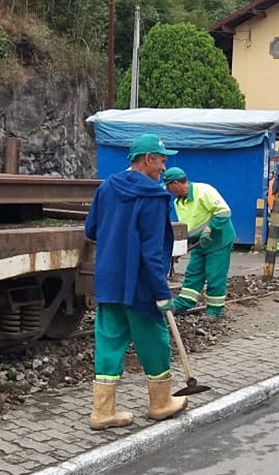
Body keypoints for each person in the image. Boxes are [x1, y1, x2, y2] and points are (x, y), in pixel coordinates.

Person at [84, 133, 188, 430]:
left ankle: (103, 411)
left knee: (109, 341)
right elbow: (151, 251)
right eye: (161, 160)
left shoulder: (107, 187)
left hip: (109, 280)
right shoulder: (154, 196)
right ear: (147, 159)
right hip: (140, 284)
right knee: (154, 340)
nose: (164, 168)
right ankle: (160, 403)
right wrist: (161, 291)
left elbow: (91, 229)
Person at [164, 167, 236, 319]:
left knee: (214, 275)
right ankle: (183, 303)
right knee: (193, 273)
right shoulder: (178, 202)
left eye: (169, 187)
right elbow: (189, 225)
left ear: (176, 184)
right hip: (199, 243)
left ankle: (214, 311)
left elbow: (224, 212)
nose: (169, 191)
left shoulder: (203, 190)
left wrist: (209, 229)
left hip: (218, 241)